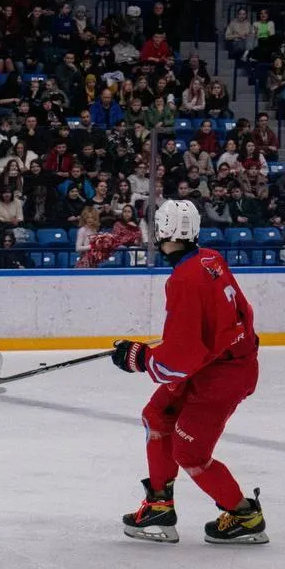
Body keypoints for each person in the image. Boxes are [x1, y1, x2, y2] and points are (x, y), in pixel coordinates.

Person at [110, 200, 267, 545]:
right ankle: (159, 506)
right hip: (216, 364)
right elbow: (237, 316)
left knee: (189, 454)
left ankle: (245, 515)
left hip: (221, 376)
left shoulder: (183, 279)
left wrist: (139, 358)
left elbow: (173, 364)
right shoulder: (210, 258)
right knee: (156, 414)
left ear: (163, 231)